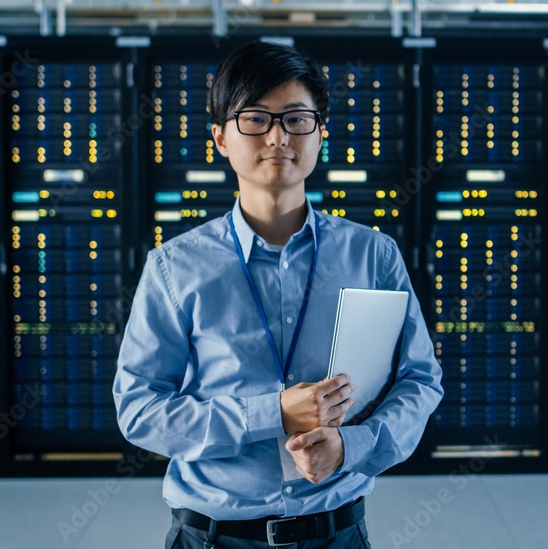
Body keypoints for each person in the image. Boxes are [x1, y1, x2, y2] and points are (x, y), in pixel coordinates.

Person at [113, 41, 443, 549]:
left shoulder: (373, 255)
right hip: (213, 537)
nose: (277, 137)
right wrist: (273, 414)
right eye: (256, 119)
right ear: (221, 138)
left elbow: (420, 380)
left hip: (336, 531)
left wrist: (350, 446)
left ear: (319, 133)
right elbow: (139, 409)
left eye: (295, 119)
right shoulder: (175, 267)